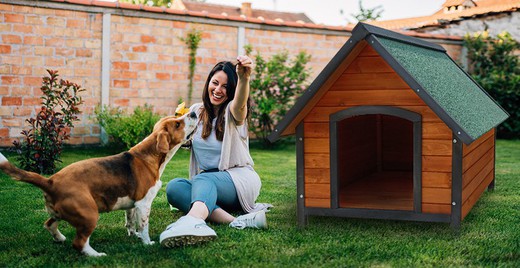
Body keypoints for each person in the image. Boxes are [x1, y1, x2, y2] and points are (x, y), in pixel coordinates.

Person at [159, 56, 272, 248]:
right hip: (211, 186)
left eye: (226, 87)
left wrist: (244, 79)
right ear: (208, 83)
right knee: (174, 187)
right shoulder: (197, 110)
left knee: (203, 179)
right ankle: (237, 221)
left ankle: (192, 221)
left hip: (239, 181)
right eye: (215, 83)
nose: (218, 90)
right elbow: (180, 138)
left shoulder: (232, 112)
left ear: (233, 91)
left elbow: (240, 105)